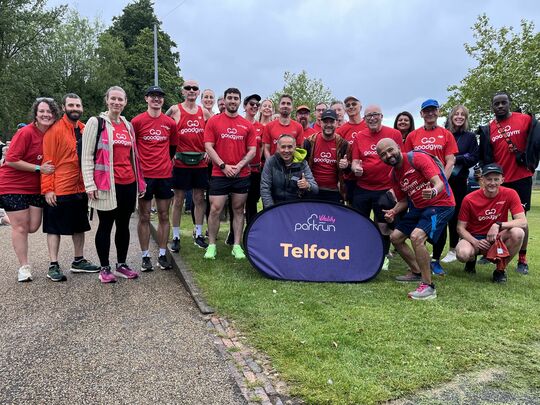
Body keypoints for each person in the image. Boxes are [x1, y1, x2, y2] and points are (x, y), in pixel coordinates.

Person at [81, 86, 146, 284]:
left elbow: (133, 156)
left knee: (124, 225)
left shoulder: (127, 124)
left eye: (120, 99)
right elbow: (86, 156)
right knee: (105, 225)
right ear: (106, 100)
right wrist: (89, 184)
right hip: (106, 184)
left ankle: (121, 264)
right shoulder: (96, 122)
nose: (117, 103)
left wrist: (139, 183)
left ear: (125, 102)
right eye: (113, 99)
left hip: (128, 182)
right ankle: (104, 267)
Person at [377, 138, 455, 300]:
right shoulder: (393, 175)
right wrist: (393, 211)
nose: (388, 155)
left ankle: (428, 287)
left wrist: (433, 191)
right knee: (395, 238)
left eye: (390, 150)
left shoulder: (417, 158)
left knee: (417, 237)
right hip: (419, 207)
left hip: (441, 204)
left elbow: (439, 182)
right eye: (383, 154)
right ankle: (416, 271)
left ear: (398, 147)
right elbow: (404, 200)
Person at [478, 91, 540, 275]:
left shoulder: (526, 120)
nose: (500, 106)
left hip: (521, 177)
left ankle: (522, 258)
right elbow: (486, 155)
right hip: (499, 181)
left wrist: (530, 159)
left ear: (509, 103)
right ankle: (491, 249)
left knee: (522, 220)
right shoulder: (490, 128)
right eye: (496, 104)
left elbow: (535, 142)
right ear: (492, 107)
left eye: (503, 102)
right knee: (494, 218)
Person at [41, 93, 100, 282]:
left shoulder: (84, 129)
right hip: (59, 188)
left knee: (79, 226)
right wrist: (48, 189)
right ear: (64, 107)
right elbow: (47, 161)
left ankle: (78, 260)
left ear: (82, 108)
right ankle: (53, 265)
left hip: (80, 188)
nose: (75, 108)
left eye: (78, 105)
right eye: (71, 105)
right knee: (54, 228)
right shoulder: (54, 130)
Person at [0, 97, 58, 282]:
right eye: (42, 111)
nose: (45, 115)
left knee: (33, 226)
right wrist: (39, 168)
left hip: (36, 187)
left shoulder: (52, 133)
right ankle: (24, 268)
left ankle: (6, 218)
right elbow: (11, 160)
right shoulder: (26, 133)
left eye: (49, 112)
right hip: (12, 184)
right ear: (35, 113)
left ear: (54, 114)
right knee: (22, 227)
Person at [404, 99, 458, 275]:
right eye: (426, 111)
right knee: (420, 225)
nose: (430, 114)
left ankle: (435, 260)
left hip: (438, 188)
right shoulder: (413, 136)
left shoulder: (446, 134)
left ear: (438, 112)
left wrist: (442, 182)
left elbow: (451, 160)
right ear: (421, 114)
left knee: (437, 226)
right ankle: (422, 259)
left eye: (433, 110)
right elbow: (408, 160)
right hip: (418, 189)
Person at [203, 88, 256, 260]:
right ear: (224, 101)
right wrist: (223, 165)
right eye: (230, 98)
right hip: (219, 172)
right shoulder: (214, 121)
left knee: (239, 209)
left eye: (236, 98)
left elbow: (252, 150)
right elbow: (208, 146)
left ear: (239, 102)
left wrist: (239, 166)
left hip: (242, 174)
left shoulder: (247, 125)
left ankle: (236, 246)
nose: (232, 101)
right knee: (215, 209)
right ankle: (211, 245)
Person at [351, 105, 403, 271]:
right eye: (368, 116)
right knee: (360, 223)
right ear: (364, 119)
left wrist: (397, 188)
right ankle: (360, 254)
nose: (372, 118)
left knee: (384, 225)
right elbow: (355, 161)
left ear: (381, 116)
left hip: (386, 188)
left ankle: (384, 256)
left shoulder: (394, 134)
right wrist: (355, 168)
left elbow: (401, 161)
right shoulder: (359, 136)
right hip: (363, 188)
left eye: (375, 115)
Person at [132, 85, 177, 271]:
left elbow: (172, 148)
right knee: (144, 216)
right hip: (145, 176)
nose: (156, 99)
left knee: (164, 215)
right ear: (146, 98)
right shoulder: (137, 122)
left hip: (164, 175)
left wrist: (164, 162)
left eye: (159, 96)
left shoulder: (170, 123)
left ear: (163, 100)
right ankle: (145, 256)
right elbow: (132, 148)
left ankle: (162, 253)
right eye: (152, 96)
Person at [456, 164, 526, 282]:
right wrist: (476, 242)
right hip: (474, 238)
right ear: (482, 180)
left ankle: (500, 270)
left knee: (518, 233)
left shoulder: (510, 193)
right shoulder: (469, 199)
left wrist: (498, 225)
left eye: (496, 179)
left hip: (497, 237)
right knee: (462, 254)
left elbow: (522, 221)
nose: (492, 183)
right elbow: (460, 228)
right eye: (489, 179)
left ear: (502, 180)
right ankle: (471, 262)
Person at [166, 80, 209, 252]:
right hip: (180, 161)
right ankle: (175, 236)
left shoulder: (204, 112)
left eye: (194, 88)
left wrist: (208, 150)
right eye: (187, 88)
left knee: (199, 198)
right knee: (178, 200)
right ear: (182, 91)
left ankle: (198, 234)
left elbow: (213, 133)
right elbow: (162, 125)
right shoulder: (175, 109)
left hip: (200, 162)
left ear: (198, 92)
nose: (191, 91)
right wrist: (169, 153)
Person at [437, 105, 479, 264]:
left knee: (456, 216)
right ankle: (437, 251)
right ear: (451, 116)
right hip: (441, 181)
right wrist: (457, 157)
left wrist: (456, 158)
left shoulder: (470, 137)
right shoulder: (443, 134)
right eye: (456, 114)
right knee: (440, 215)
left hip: (459, 182)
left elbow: (473, 157)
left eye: (463, 115)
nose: (459, 117)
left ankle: (454, 249)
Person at [303, 109, 350, 203]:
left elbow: (348, 172)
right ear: (320, 123)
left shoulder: (343, 144)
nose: (328, 125)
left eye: (331, 122)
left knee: (330, 218)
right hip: (313, 189)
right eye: (325, 122)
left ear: (336, 123)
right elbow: (302, 165)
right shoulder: (310, 141)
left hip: (334, 191)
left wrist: (346, 166)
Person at [260, 134, 318, 208]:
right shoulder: (271, 162)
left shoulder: (303, 163)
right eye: (283, 147)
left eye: (290, 147)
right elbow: (265, 188)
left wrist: (307, 185)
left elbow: (315, 189)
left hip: (296, 207)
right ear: (278, 148)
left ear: (295, 147)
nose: (286, 150)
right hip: (275, 206)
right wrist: (271, 210)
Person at [337, 95, 367, 205]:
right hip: (349, 177)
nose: (351, 107)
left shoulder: (368, 126)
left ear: (360, 107)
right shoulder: (341, 130)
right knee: (352, 209)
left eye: (354, 104)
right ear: (345, 110)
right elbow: (337, 155)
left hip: (367, 176)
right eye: (348, 105)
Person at [262, 94, 304, 160]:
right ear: (278, 106)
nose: (285, 106)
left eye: (288, 104)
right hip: (274, 166)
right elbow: (266, 149)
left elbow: (299, 150)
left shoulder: (298, 127)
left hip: (291, 167)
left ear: (292, 108)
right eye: (283, 103)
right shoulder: (269, 126)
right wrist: (270, 164)